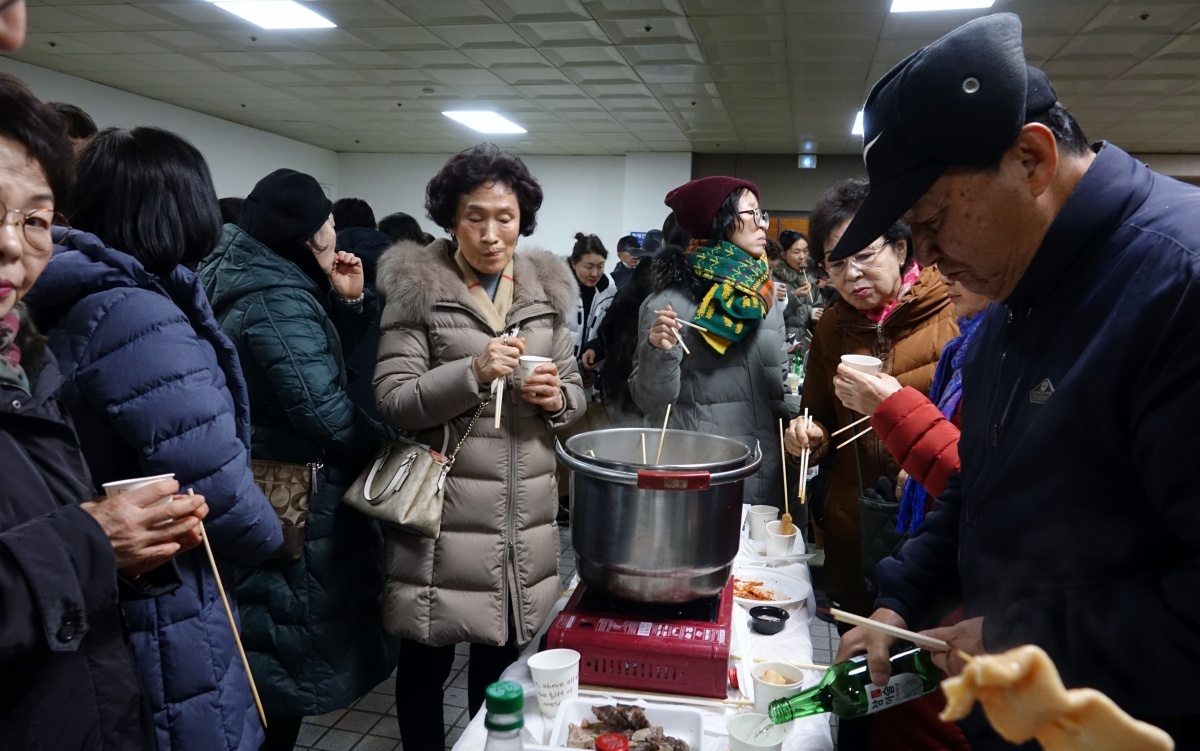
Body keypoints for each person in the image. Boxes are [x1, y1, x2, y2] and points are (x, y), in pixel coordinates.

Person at [827, 13, 1200, 749]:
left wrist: (1024, 638)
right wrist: (902, 601)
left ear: (1031, 159)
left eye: (933, 220)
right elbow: (982, 486)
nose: (923, 258)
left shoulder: (1176, 286)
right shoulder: (1013, 296)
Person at [24, 125, 283, 751]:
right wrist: (271, 538)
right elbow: (211, 477)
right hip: (160, 590)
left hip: (99, 577)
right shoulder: (136, 314)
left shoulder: (70, 290)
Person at [0, 69, 210, 751]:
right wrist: (93, 542)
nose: (12, 242)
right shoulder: (138, 310)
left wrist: (125, 545)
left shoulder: (25, 360)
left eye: (35, 219)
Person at [373, 143, 585, 748]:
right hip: (443, 514)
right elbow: (394, 398)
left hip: (522, 519)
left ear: (523, 220)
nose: (492, 234)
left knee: (500, 669)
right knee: (425, 661)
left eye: (505, 217)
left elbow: (574, 395)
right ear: (451, 218)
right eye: (475, 217)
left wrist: (556, 398)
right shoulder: (419, 290)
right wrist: (473, 371)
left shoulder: (546, 293)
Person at [197, 168, 394, 750]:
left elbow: (301, 362)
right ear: (307, 236)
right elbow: (321, 409)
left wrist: (348, 303)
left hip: (256, 475)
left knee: (265, 643)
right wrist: (389, 446)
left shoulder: (246, 272)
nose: (337, 234)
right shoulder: (276, 297)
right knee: (281, 652)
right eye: (329, 224)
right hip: (292, 491)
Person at [824, 272, 988, 751]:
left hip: (981, 628)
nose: (852, 272)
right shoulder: (975, 345)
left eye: (866, 253)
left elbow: (986, 492)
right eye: (836, 261)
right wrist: (900, 600)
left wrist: (896, 413)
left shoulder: (996, 342)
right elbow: (966, 495)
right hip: (915, 562)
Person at [630, 176, 791, 508]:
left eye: (762, 213)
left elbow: (781, 383)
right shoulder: (668, 304)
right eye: (752, 213)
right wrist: (658, 353)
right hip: (706, 470)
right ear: (719, 222)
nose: (763, 224)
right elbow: (650, 403)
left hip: (770, 466)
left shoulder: (764, 297)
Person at [588, 227, 666, 426]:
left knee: (622, 438)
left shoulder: (627, 291)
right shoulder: (668, 296)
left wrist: (600, 349)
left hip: (618, 383)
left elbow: (605, 332)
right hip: (653, 386)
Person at [332, 196, 391, 422]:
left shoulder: (326, 264)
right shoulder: (403, 264)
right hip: (392, 387)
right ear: (373, 224)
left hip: (339, 389)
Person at [567, 231, 616, 397]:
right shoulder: (557, 290)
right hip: (557, 375)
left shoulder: (609, 293)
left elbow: (608, 334)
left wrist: (595, 370)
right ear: (574, 263)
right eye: (589, 267)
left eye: (600, 266)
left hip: (588, 382)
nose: (595, 273)